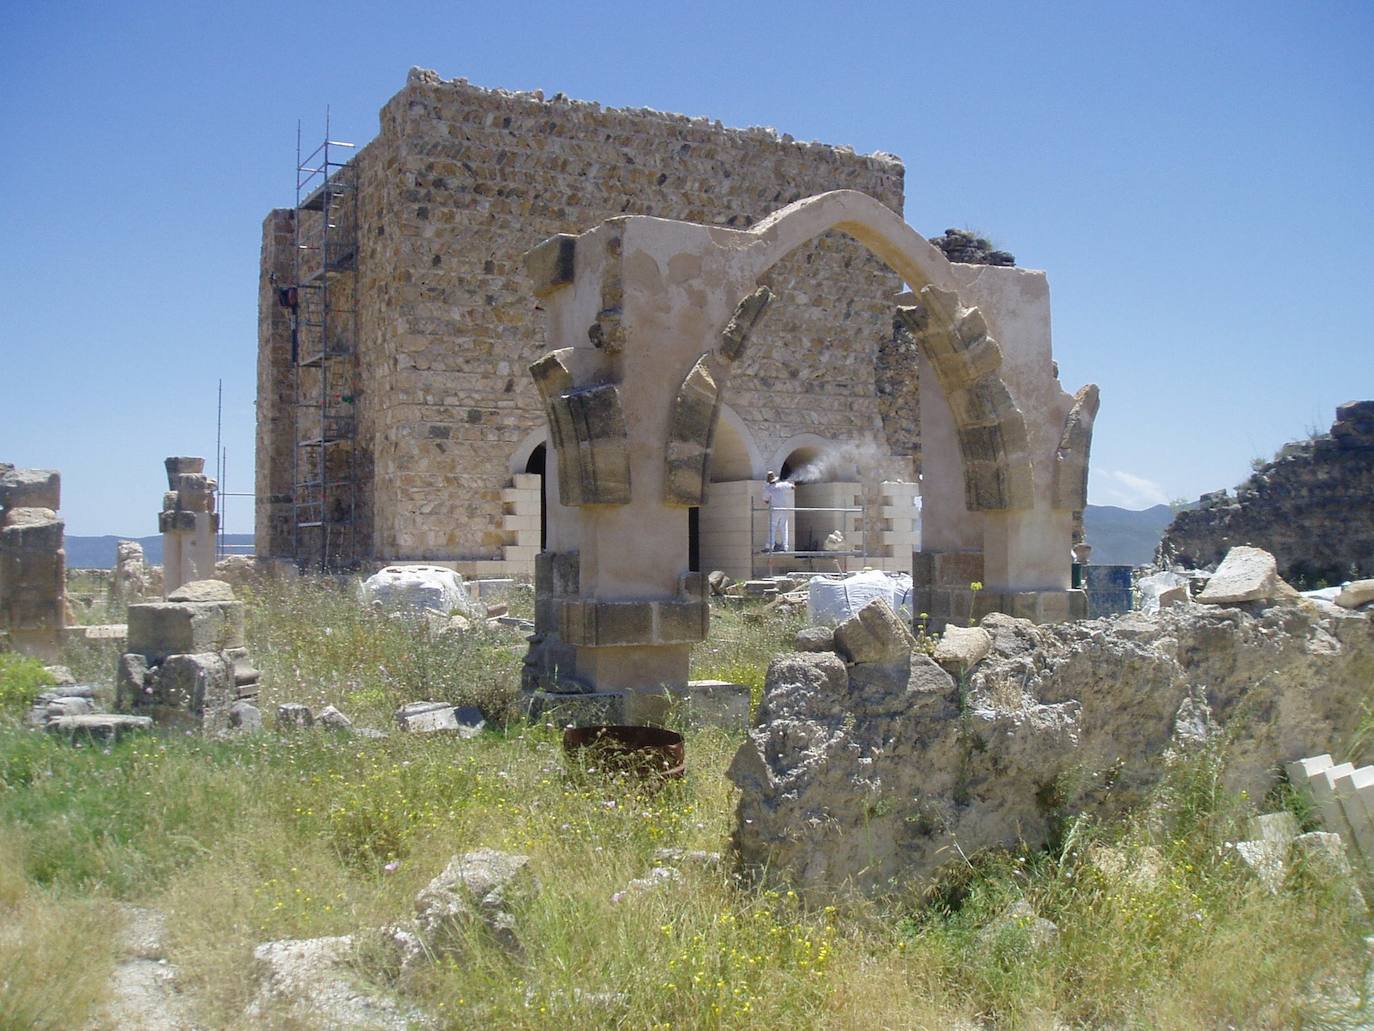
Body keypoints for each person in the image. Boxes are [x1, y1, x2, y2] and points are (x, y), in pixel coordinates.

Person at [762, 471, 794, 552]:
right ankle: (785, 546)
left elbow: (765, 500)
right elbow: (793, 487)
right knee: (783, 527)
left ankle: (771, 546)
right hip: (784, 509)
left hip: (775, 509)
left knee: (772, 527)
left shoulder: (768, 488)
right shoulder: (782, 484)